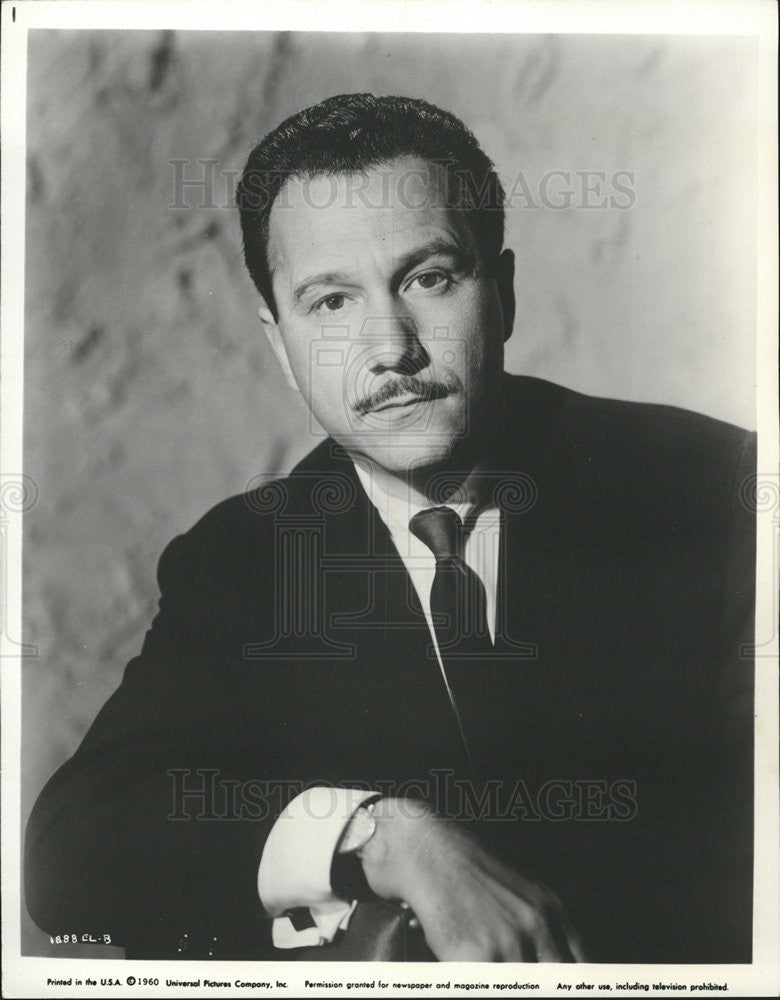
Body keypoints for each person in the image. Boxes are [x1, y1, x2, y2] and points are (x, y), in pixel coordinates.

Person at [25, 94, 755, 964]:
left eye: (429, 278)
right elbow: (74, 845)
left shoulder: (714, 492)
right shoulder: (243, 562)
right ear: (280, 346)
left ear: (505, 291)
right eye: (331, 302)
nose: (391, 346)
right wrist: (381, 836)